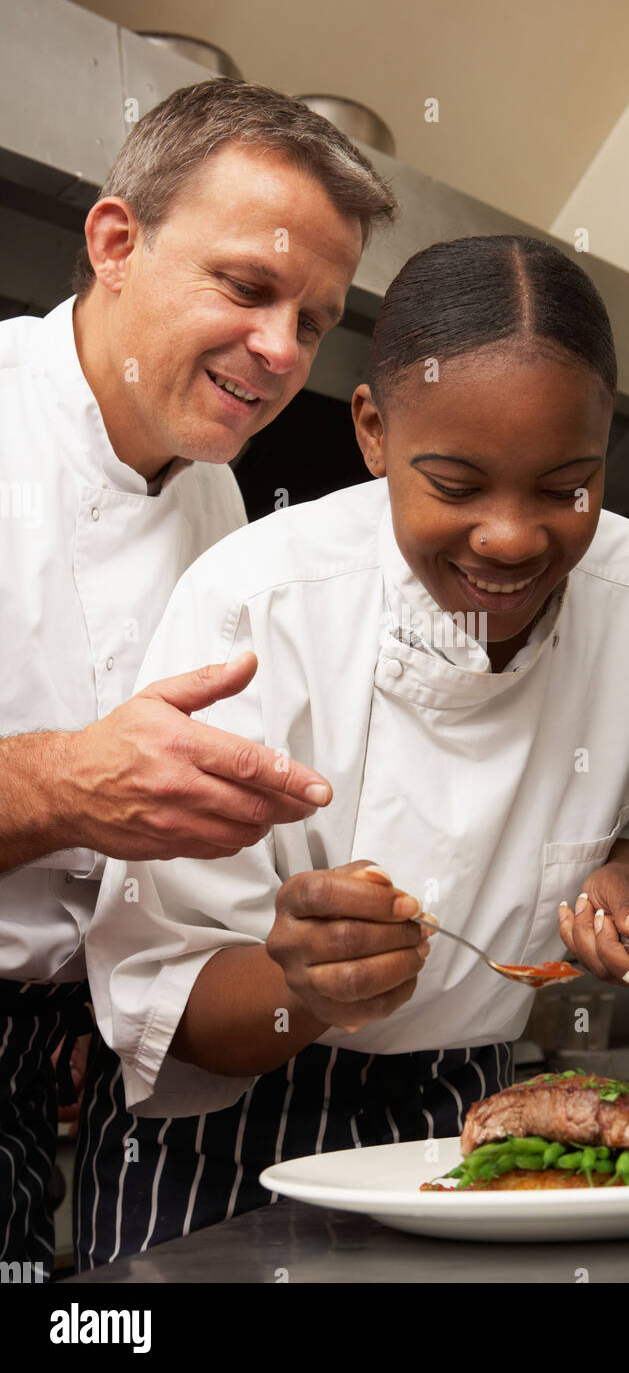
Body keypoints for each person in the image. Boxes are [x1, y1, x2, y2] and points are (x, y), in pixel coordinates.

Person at [78, 234, 629, 1268]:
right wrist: (300, 984)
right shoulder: (254, 605)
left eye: (565, 485)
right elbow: (176, 1018)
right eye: (456, 484)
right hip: (222, 1127)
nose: (511, 537)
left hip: (476, 1105)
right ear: (373, 430)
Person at [0, 77, 395, 1270]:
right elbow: (80, 792)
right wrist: (58, 788)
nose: (281, 351)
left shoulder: (220, 501)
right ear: (115, 244)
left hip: (47, 1066)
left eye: (315, 319)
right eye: (246, 286)